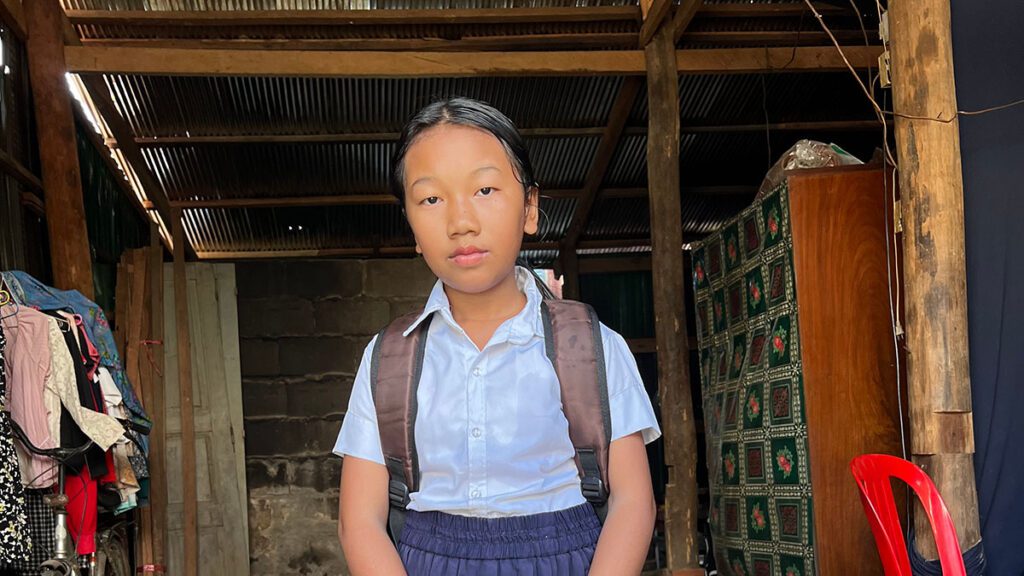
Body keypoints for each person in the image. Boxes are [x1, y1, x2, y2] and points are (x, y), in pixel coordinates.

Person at [334, 97, 662, 575]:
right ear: (412, 226)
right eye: (431, 198)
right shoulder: (389, 358)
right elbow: (359, 521)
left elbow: (634, 501)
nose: (460, 221)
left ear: (530, 207)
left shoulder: (590, 347)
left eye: (485, 190)